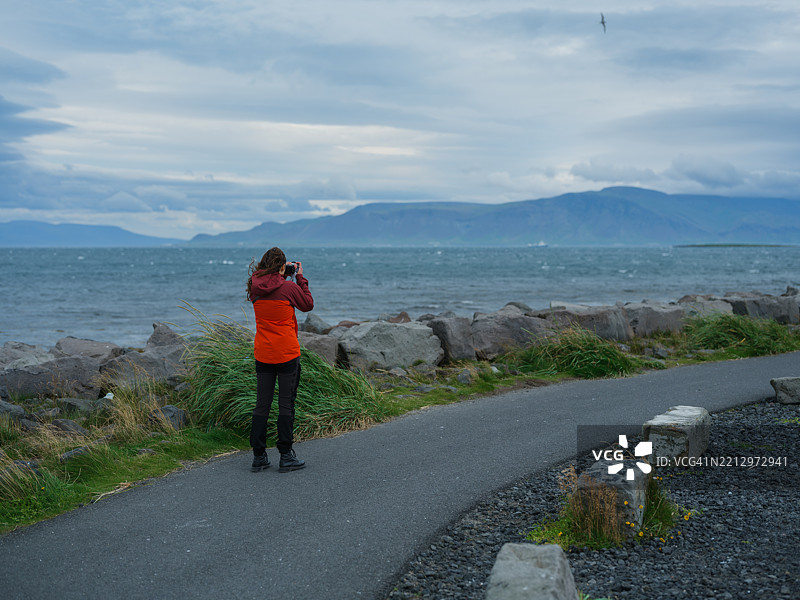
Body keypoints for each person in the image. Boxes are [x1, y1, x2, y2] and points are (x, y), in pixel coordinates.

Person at [246, 246, 314, 473]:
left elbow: (270, 285)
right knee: (286, 403)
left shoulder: (254, 286)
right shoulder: (288, 287)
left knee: (262, 404)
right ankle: (286, 456)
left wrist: (283, 274)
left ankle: (259, 457)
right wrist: (299, 277)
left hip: (263, 353)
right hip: (286, 352)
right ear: (283, 266)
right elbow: (307, 304)